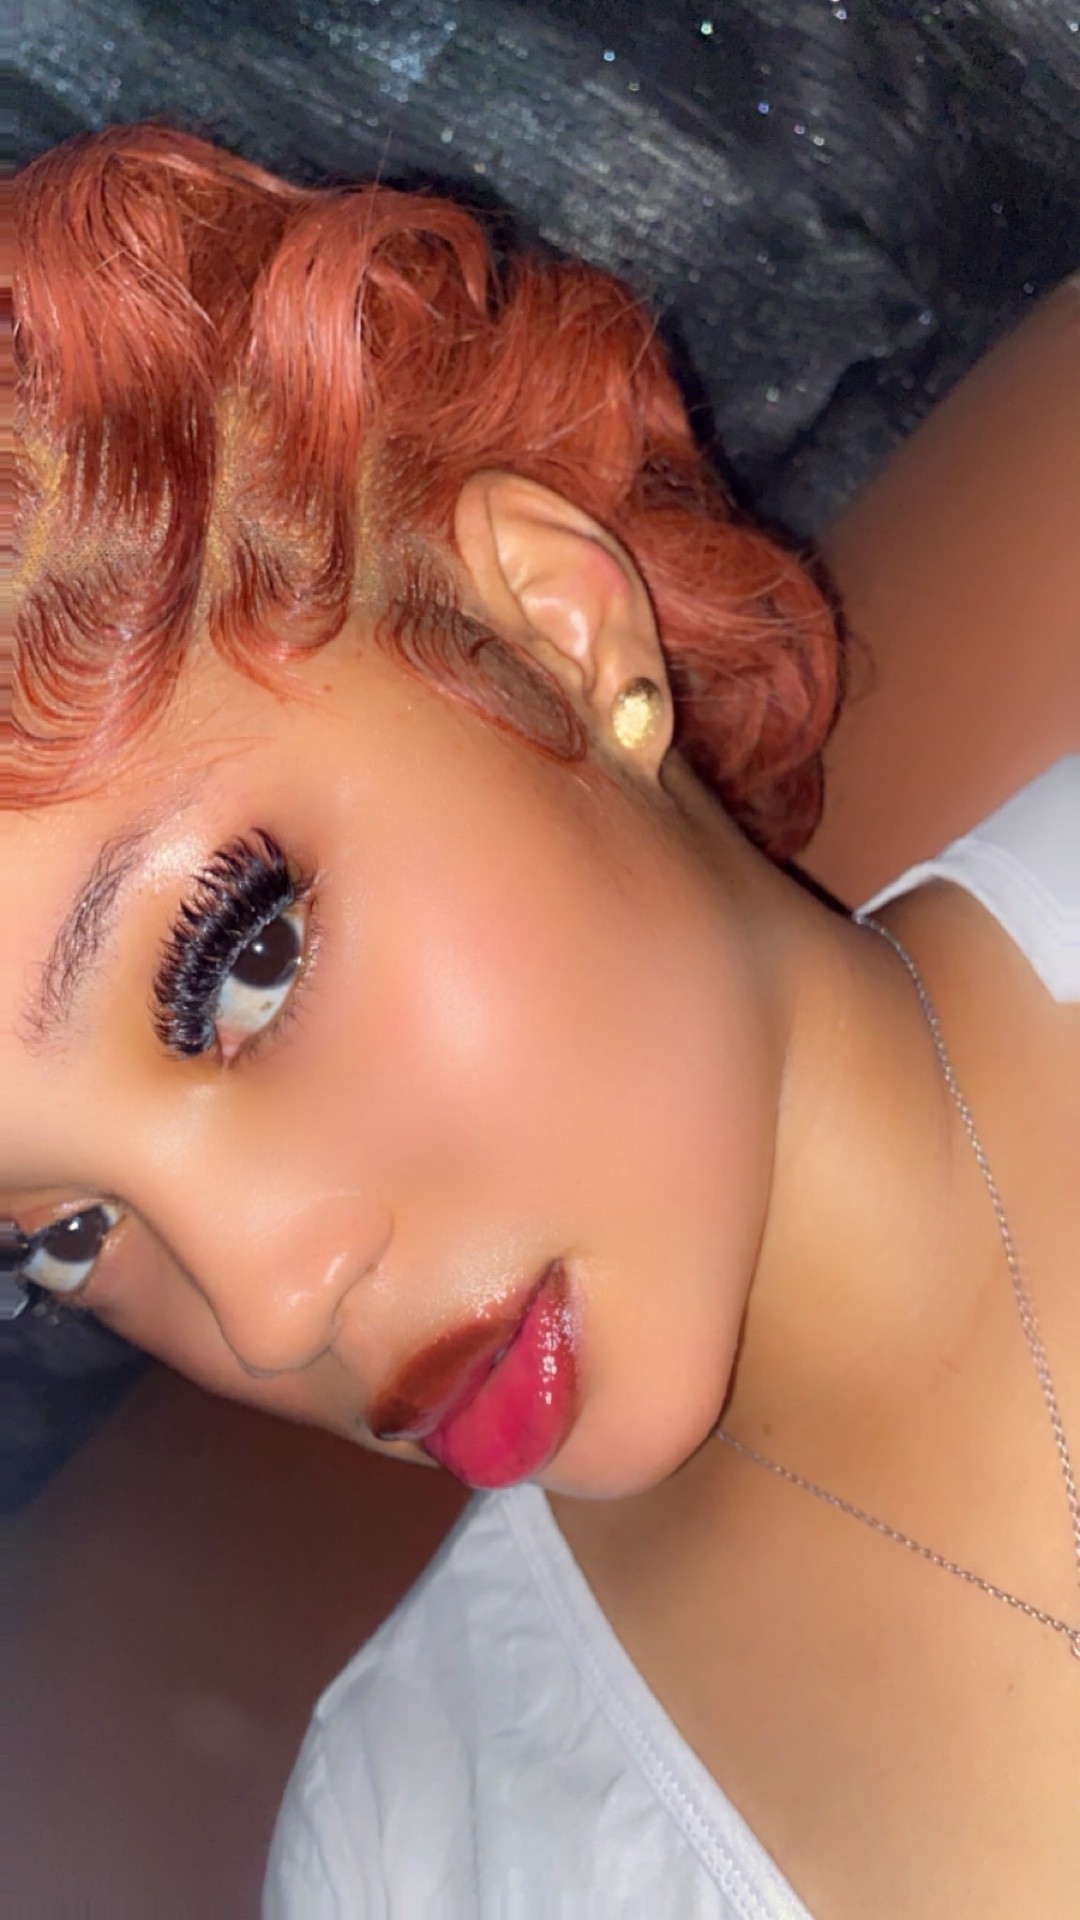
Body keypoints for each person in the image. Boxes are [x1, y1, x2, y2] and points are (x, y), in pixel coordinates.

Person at [6, 125, 1077, 1918]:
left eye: (240, 963)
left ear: (555, 628)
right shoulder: (415, 1855)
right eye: (56, 1240)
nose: (269, 1309)